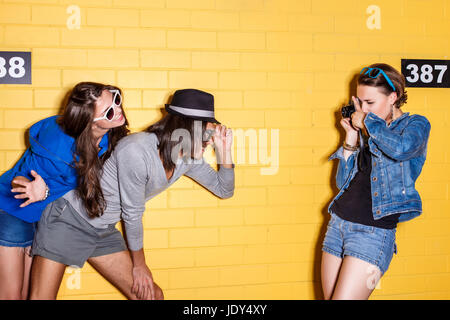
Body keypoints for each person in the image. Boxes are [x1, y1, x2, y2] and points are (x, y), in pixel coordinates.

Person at [29, 88, 235, 300]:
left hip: (102, 228)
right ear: (187, 128)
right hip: (69, 220)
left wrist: (225, 151)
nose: (210, 141)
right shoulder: (137, 149)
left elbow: (224, 190)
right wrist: (140, 265)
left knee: (152, 296)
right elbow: (133, 213)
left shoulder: (187, 158)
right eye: (207, 134)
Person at [0, 82, 129, 299]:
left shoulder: (107, 136)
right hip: (14, 212)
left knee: (27, 294)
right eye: (108, 111)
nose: (118, 110)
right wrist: (37, 189)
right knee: (12, 295)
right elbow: (19, 179)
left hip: (44, 218)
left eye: (116, 99)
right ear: (89, 122)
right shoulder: (58, 149)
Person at [321, 63, 431, 300]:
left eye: (370, 103)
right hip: (338, 224)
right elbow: (343, 183)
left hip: (372, 233)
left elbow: (401, 149)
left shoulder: (416, 125)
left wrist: (367, 122)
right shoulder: (368, 128)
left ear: (393, 97)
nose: (363, 109)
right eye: (360, 103)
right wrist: (351, 138)